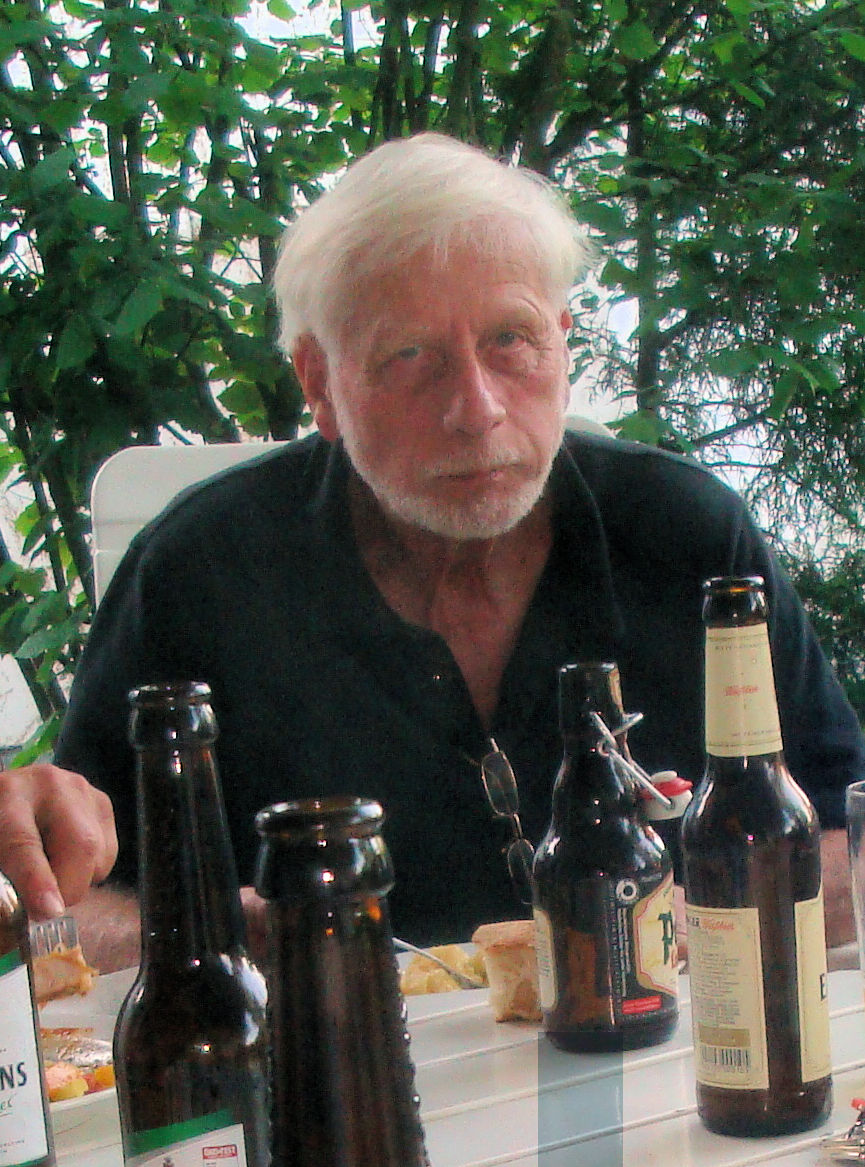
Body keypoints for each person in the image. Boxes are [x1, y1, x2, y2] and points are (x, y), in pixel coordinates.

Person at [0, 133, 861, 972]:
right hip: (327, 1057)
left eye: (510, 339)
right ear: (317, 382)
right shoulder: (201, 575)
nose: (476, 409)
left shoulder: (687, 538)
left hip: (671, 1043)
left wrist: (699, 921)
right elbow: (63, 905)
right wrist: (223, 936)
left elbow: (845, 833)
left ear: (564, 341)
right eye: (410, 355)